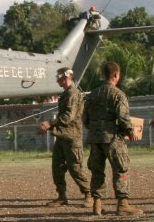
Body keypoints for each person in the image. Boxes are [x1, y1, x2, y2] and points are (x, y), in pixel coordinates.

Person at [83, 61, 142, 216]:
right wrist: (131, 132)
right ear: (116, 75)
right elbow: (123, 118)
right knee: (121, 169)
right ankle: (123, 204)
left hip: (95, 139)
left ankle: (97, 204)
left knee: (97, 171)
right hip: (112, 139)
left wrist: (96, 129)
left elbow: (85, 119)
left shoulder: (92, 95)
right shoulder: (118, 94)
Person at [37, 67, 91, 208]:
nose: (57, 79)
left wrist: (50, 123)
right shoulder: (65, 94)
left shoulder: (73, 94)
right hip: (61, 137)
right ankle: (62, 197)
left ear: (66, 77)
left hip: (72, 138)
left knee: (75, 169)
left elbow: (68, 117)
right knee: (57, 168)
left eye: (59, 77)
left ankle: (89, 195)